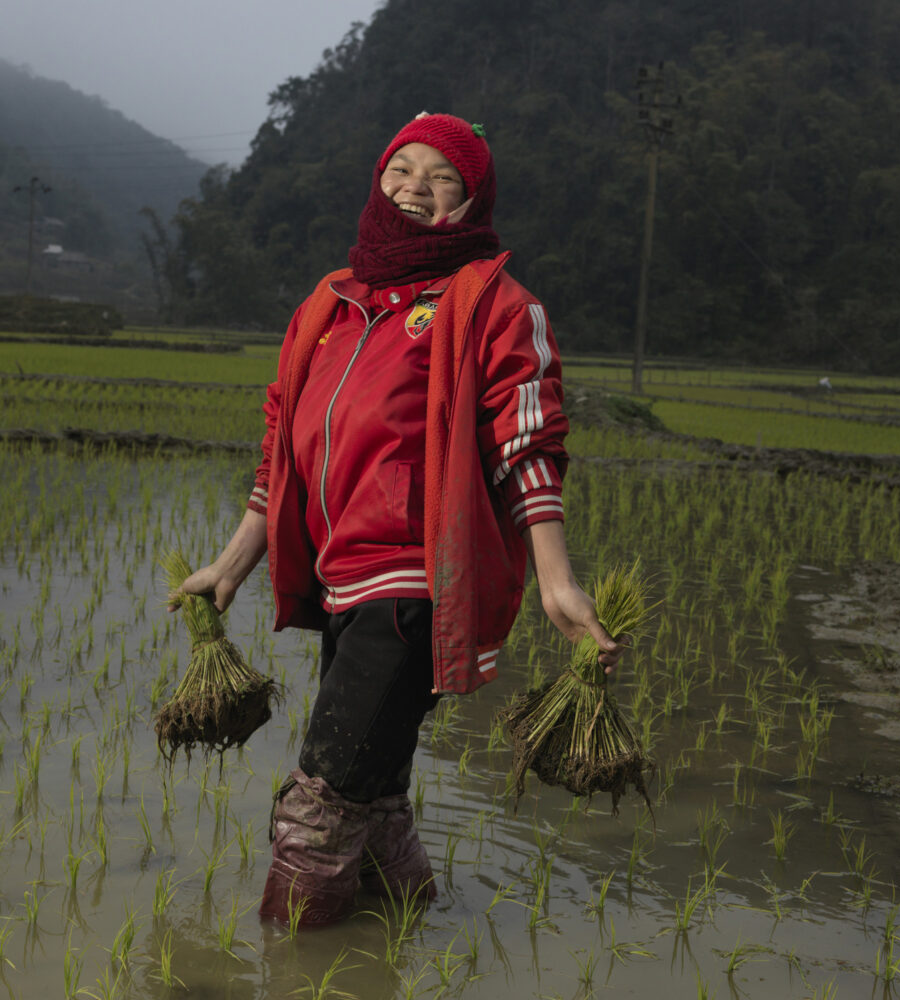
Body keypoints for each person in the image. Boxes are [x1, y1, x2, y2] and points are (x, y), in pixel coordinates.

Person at [180, 112, 623, 928]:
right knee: (371, 786)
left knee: (318, 802)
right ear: (378, 181)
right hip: (343, 578)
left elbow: (527, 442)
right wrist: (231, 565)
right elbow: (284, 443)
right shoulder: (332, 300)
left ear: (471, 199)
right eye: (402, 169)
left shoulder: (491, 300)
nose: (416, 186)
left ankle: (294, 957)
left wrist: (557, 582)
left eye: (442, 177)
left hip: (416, 581)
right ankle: (404, 917)